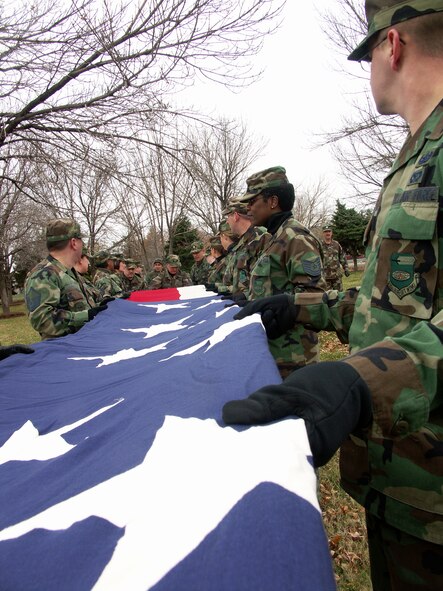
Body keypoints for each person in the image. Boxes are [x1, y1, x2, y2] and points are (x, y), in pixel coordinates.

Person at [223, 2, 443, 588]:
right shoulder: (414, 159)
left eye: (368, 51)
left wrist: (361, 381)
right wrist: (298, 305)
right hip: (398, 481)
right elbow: (393, 303)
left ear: (391, 45)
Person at [232, 166, 325, 378]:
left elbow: (316, 297)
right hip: (274, 351)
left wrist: (281, 314)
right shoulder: (274, 238)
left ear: (272, 202)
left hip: (295, 357)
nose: (248, 208)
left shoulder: (296, 238)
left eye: (252, 201)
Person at [24, 219, 107, 340]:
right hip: (65, 352)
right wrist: (87, 316)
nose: (82, 245)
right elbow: (42, 320)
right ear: (74, 243)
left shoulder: (70, 273)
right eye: (81, 240)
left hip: (86, 343)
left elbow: (82, 306)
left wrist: (104, 306)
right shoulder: (44, 274)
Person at [221, 199, 267, 300]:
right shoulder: (243, 242)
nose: (227, 221)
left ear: (236, 216)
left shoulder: (260, 237)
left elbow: (265, 284)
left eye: (228, 216)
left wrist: (245, 296)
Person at [321, 225, 350, 290]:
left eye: (329, 231)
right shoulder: (319, 245)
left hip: (337, 277)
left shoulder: (336, 244)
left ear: (331, 233)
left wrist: (346, 268)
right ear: (323, 233)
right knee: (327, 297)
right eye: (325, 232)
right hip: (325, 277)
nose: (327, 233)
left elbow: (342, 257)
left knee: (339, 296)